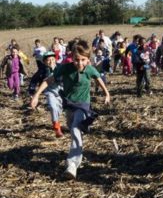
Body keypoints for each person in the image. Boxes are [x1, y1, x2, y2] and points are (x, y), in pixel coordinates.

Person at [31, 40, 110, 179]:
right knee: (71, 127)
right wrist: (36, 95)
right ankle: (78, 145)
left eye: (83, 60)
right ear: (72, 57)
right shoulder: (65, 68)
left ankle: (72, 164)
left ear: (87, 59)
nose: (79, 63)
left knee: (75, 129)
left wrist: (107, 93)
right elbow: (48, 80)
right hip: (69, 105)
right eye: (76, 60)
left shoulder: (90, 69)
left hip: (83, 106)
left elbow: (98, 79)